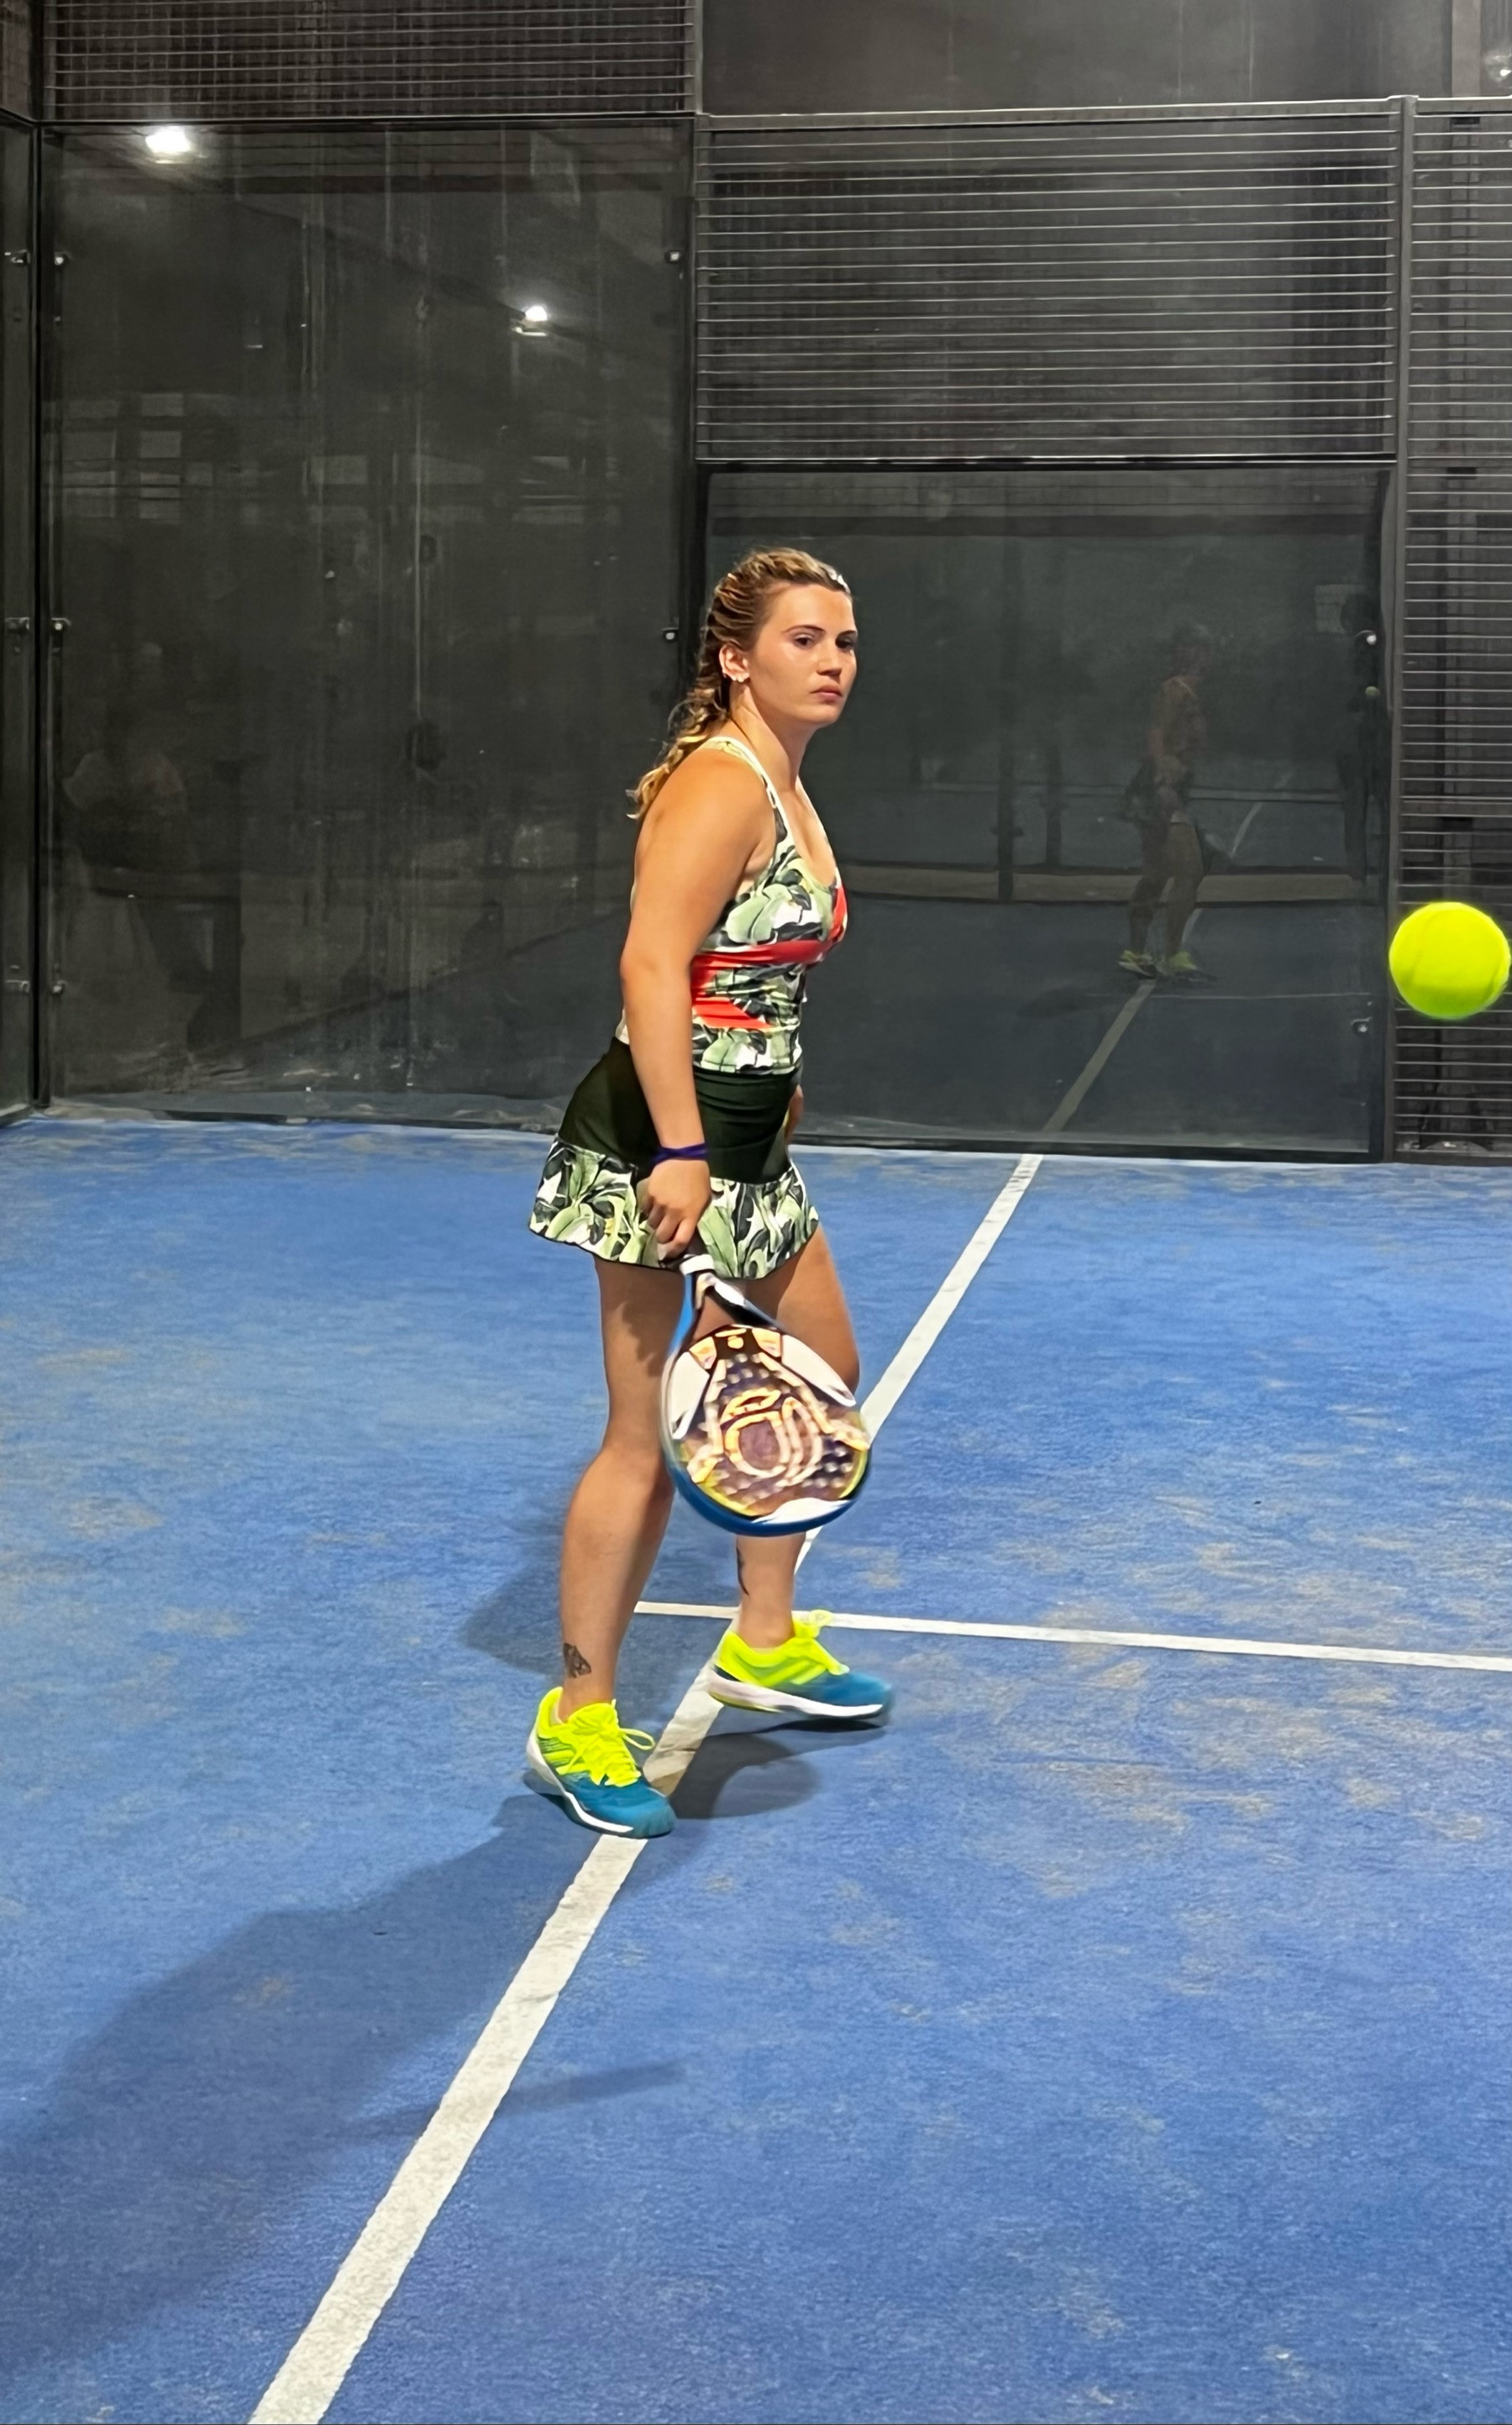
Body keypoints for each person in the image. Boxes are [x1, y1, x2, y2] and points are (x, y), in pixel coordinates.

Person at [526, 548, 892, 1838]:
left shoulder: (786, 776)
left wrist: (774, 1086)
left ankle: (764, 1635)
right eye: (805, 638)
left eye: (845, 640)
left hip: (745, 1134)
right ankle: (577, 1716)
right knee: (641, 1441)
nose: (834, 659)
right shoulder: (720, 783)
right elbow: (650, 964)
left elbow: (749, 970)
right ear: (737, 657)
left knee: (820, 1369)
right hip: (659, 1143)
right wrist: (682, 1148)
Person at [1117, 624, 1215, 983]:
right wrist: (1162, 780)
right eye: (1197, 648)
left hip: (1170, 790)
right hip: (1158, 791)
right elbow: (1156, 734)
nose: (1204, 655)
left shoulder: (1190, 694)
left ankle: (1137, 951)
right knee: (1189, 870)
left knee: (1158, 873)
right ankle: (1172, 954)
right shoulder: (1174, 691)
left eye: (1206, 648)